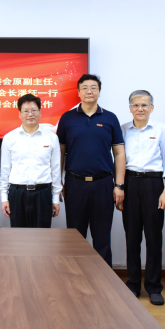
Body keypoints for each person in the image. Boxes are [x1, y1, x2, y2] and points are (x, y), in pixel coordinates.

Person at [57, 74, 126, 266]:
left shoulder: (110, 118)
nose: (89, 91)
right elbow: (60, 152)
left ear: (99, 92)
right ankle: (74, 277)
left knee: (102, 236)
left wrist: (119, 185)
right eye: (85, 88)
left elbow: (119, 153)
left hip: (103, 184)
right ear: (78, 92)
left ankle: (104, 280)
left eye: (94, 87)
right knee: (75, 237)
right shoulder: (67, 118)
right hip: (75, 184)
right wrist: (58, 181)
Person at [121, 90, 165, 305]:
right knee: (132, 237)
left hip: (154, 184)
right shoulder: (123, 129)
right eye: (136, 105)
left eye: (144, 105)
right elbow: (118, 160)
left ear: (151, 108)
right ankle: (133, 284)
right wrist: (119, 187)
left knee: (153, 237)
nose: (140, 109)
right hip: (130, 183)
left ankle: (154, 286)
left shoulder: (161, 129)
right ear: (130, 108)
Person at [0, 94, 62, 228]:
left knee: (42, 236)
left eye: (34, 110)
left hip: (43, 193)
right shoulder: (10, 138)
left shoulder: (51, 138)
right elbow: (5, 170)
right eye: (26, 111)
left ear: (40, 112)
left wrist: (55, 199)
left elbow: (56, 169)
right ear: (20, 114)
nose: (30, 114)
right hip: (17, 193)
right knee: (18, 236)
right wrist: (4, 198)